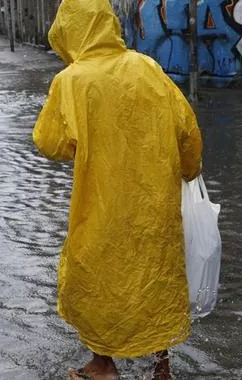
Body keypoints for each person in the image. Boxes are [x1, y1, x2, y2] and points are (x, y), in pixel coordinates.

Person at [32, 0, 203, 379]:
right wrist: (191, 170)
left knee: (99, 279)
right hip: (155, 205)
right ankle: (162, 366)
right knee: (153, 275)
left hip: (103, 206)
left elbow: (49, 142)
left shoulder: (72, 81)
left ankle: (102, 364)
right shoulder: (147, 67)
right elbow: (186, 128)